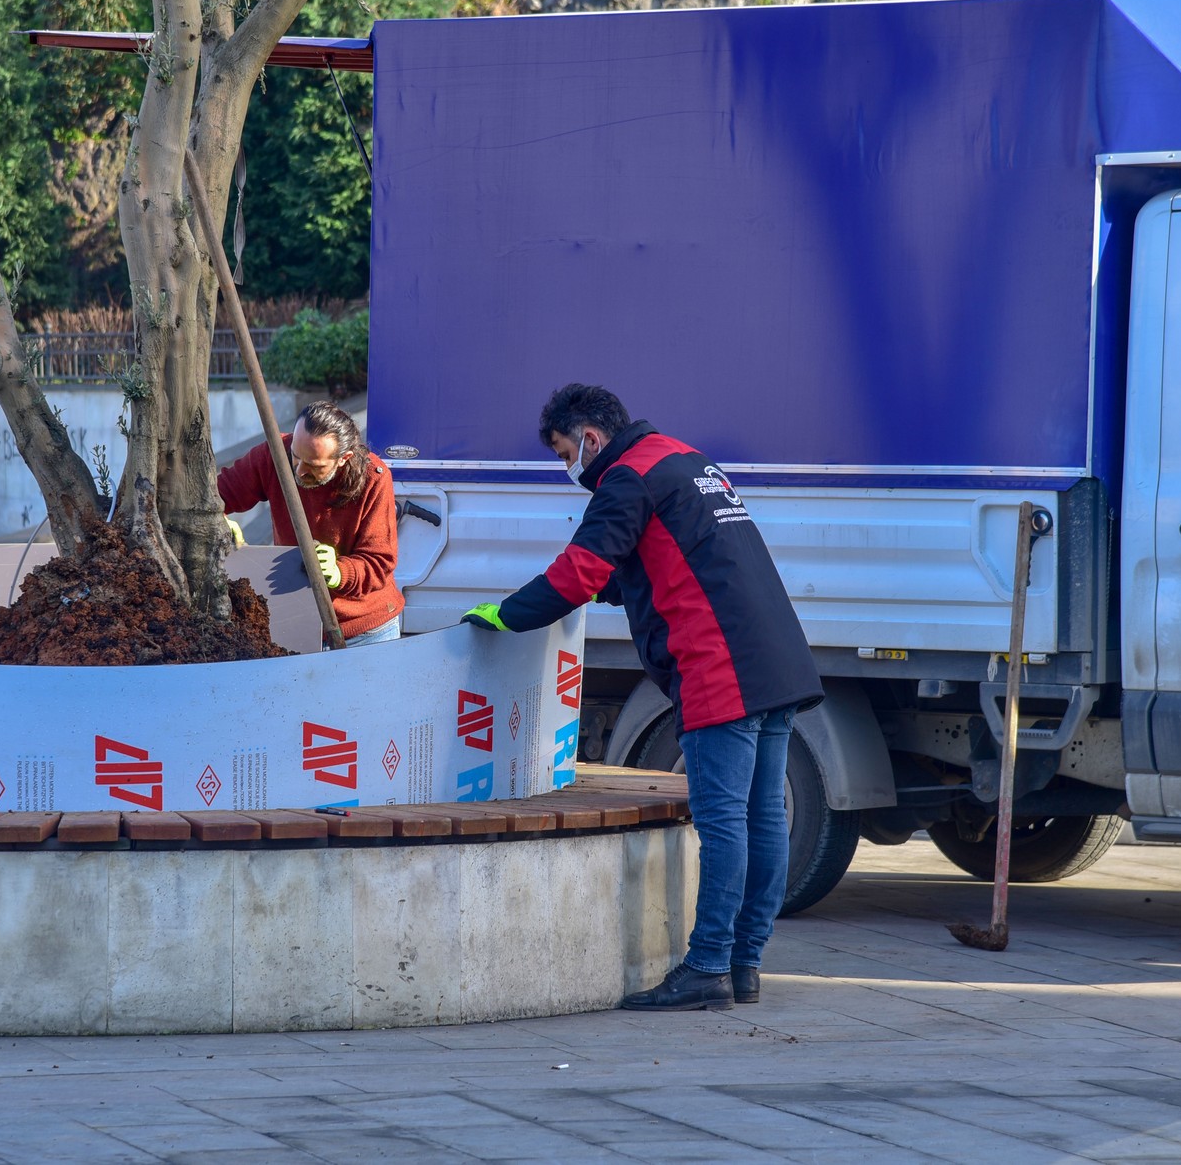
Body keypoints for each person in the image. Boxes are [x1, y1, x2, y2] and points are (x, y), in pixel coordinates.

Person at [463, 384, 820, 1011]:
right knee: (764, 816)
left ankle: (707, 965)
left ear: (591, 439)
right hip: (775, 657)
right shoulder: (683, 458)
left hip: (720, 665)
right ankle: (744, 965)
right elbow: (657, 562)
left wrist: (508, 614)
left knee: (724, 823)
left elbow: (581, 572)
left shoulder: (625, 478)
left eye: (562, 452)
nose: (565, 466)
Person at [217, 400, 405, 646]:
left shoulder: (374, 479)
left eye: (314, 466)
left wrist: (340, 572)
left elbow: (379, 562)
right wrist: (217, 520)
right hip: (295, 620)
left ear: (343, 458)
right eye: (296, 456)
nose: (299, 470)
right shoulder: (275, 454)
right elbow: (216, 495)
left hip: (365, 631)